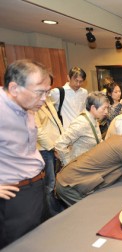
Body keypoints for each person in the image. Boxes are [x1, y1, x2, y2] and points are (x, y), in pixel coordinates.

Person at [0, 59, 51, 249]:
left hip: (36, 188)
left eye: (47, 92)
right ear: (14, 88)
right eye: (40, 92)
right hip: (14, 196)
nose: (45, 99)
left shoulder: (28, 107)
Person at [35, 75, 65, 217]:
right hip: (45, 150)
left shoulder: (47, 99)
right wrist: (52, 147)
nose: (48, 91)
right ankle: (50, 214)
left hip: (55, 146)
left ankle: (54, 208)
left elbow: (57, 122)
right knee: (49, 183)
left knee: (54, 181)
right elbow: (37, 130)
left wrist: (62, 141)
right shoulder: (34, 103)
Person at [55, 91, 109, 166]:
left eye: (107, 108)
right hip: (80, 167)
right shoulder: (82, 122)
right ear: (93, 108)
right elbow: (60, 144)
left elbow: (97, 139)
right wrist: (68, 164)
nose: (106, 112)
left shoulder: (94, 119)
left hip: (90, 164)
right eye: (104, 108)